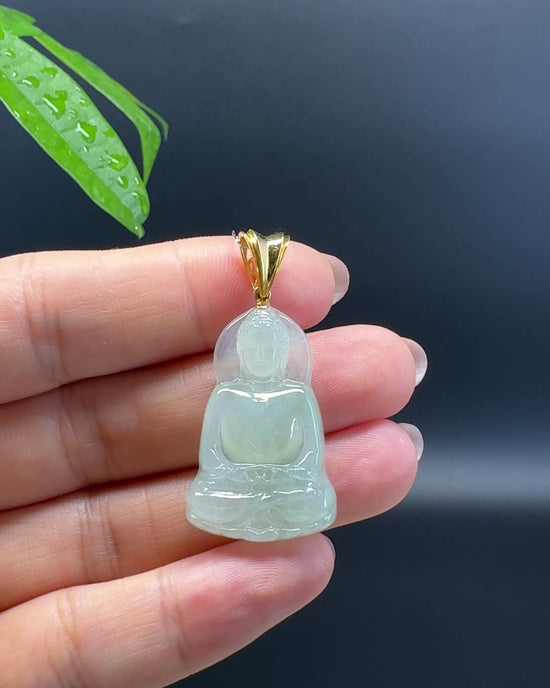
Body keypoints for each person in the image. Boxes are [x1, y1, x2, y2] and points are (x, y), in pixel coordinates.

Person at [0, 236, 427, 687]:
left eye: (269, 349)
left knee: (311, 495)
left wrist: (282, 477)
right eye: (253, 349)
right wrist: (238, 477)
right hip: (232, 486)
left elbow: (309, 460)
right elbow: (213, 461)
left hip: (287, 485)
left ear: (282, 353)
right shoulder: (226, 394)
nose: (261, 356)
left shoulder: (296, 394)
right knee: (210, 495)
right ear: (240, 353)